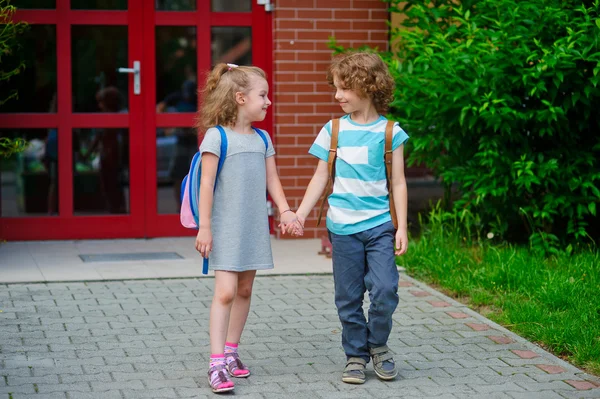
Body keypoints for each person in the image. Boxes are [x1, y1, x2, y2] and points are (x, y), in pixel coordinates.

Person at [288, 52, 409, 384]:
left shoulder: (390, 131)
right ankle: (356, 355)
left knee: (385, 289)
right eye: (336, 89)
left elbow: (398, 181)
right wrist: (300, 214)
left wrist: (403, 227)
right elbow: (318, 178)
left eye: (344, 89)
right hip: (342, 229)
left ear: (367, 87)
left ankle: (378, 345)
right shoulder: (334, 130)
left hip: (380, 225)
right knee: (348, 297)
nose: (337, 95)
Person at [195, 63, 297, 393]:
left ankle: (231, 351)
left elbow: (272, 179)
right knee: (225, 292)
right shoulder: (216, 136)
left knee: (244, 290)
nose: (268, 101)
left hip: (253, 227)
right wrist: (205, 227)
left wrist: (285, 210)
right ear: (240, 98)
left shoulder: (262, 138)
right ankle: (215, 364)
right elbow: (206, 184)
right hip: (224, 229)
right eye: (262, 95)